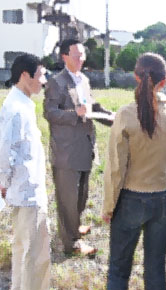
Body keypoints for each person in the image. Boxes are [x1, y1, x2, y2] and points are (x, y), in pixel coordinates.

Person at [102, 52, 166, 290]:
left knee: (118, 270)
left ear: (136, 77)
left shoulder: (125, 115)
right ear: (165, 79)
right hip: (162, 198)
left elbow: (116, 168)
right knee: (156, 269)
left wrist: (108, 206)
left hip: (130, 199)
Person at [43, 39, 112, 256]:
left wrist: (112, 117)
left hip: (85, 147)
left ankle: (75, 227)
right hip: (66, 151)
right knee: (67, 198)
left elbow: (91, 106)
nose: (81, 59)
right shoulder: (56, 82)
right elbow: (50, 113)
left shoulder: (84, 79)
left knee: (81, 194)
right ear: (64, 57)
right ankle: (71, 242)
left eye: (82, 55)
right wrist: (75, 115)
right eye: (76, 55)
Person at [0, 54, 51, 290]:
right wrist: (3, 182)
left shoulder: (22, 103)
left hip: (26, 189)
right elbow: (4, 152)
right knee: (34, 252)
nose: (44, 81)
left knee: (23, 247)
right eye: (40, 75)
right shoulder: (17, 109)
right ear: (25, 76)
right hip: (26, 192)